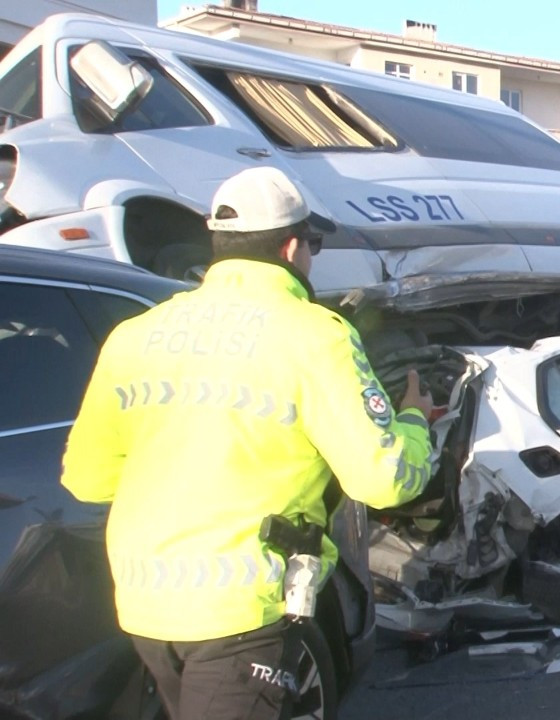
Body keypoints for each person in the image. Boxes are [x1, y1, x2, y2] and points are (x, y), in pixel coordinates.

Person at [61, 167, 435, 719]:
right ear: (290, 247)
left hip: (145, 601)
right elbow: (384, 479)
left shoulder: (136, 334)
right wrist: (414, 422)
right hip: (242, 606)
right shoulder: (314, 333)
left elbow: (86, 477)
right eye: (313, 244)